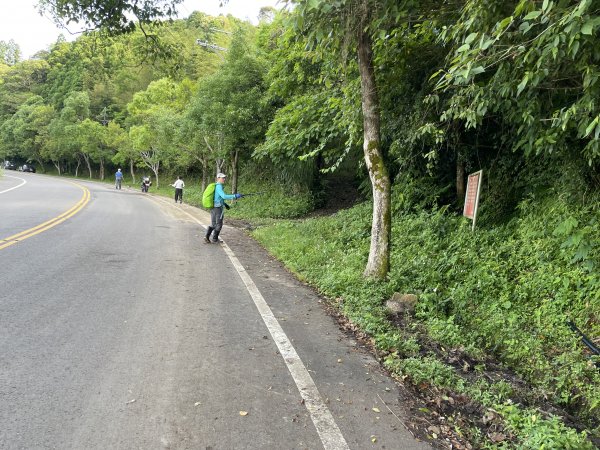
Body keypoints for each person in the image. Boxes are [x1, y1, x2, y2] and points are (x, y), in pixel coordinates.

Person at [204, 172, 242, 243]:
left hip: (213, 207)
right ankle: (214, 239)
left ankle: (207, 237)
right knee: (219, 224)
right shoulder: (219, 186)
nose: (224, 179)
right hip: (217, 208)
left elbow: (218, 198)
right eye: (222, 178)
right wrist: (235, 196)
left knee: (214, 223)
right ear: (218, 178)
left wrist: (225, 204)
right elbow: (224, 196)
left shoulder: (216, 186)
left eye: (224, 178)